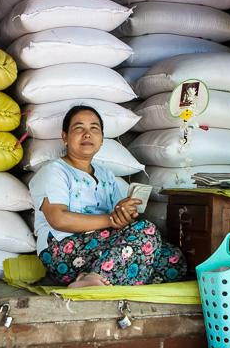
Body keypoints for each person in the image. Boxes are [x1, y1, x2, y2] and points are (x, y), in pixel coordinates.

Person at [28, 105, 187, 289]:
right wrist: (112, 220)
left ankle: (93, 278)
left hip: (102, 248)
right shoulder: (54, 171)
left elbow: (117, 223)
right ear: (65, 137)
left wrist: (124, 214)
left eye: (94, 128)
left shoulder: (106, 176)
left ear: (102, 139)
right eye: (78, 128)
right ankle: (97, 277)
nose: (87, 134)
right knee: (146, 230)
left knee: (174, 259)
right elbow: (58, 218)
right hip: (63, 251)